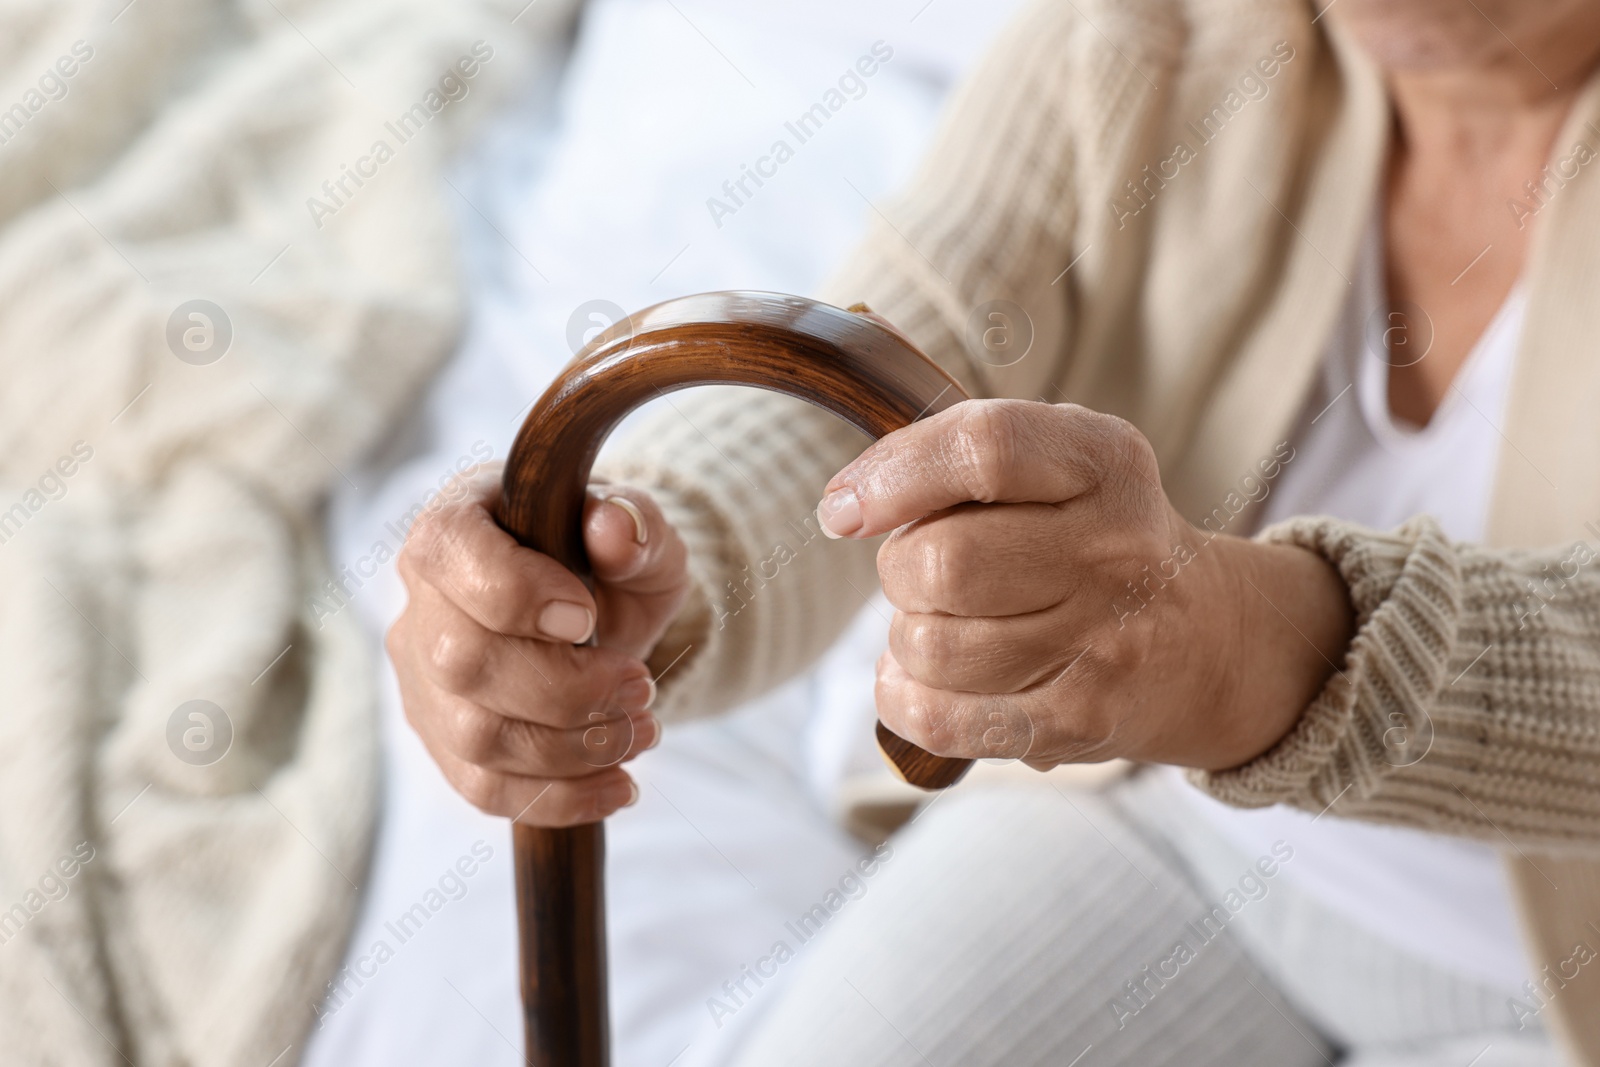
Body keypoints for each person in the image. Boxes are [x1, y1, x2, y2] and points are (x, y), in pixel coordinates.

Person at [388, 0, 1600, 1062]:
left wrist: (1237, 647)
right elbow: (892, 371)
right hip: (1174, 830)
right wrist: (633, 558)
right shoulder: (1154, 40)